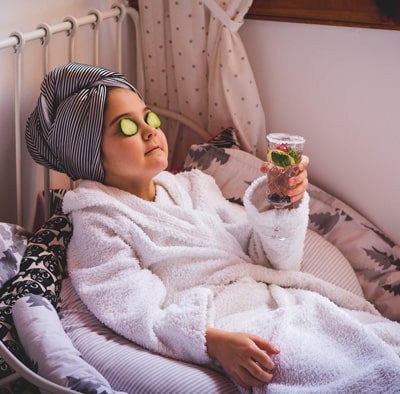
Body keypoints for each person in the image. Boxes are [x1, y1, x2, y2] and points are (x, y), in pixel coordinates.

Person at [26, 63, 400, 393]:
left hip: (279, 300)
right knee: (347, 372)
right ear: (89, 153)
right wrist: (212, 342)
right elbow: (135, 310)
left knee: (380, 342)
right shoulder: (98, 222)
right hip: (232, 323)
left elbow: (263, 256)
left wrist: (278, 203)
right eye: (125, 127)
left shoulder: (194, 186)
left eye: (148, 117)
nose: (149, 131)